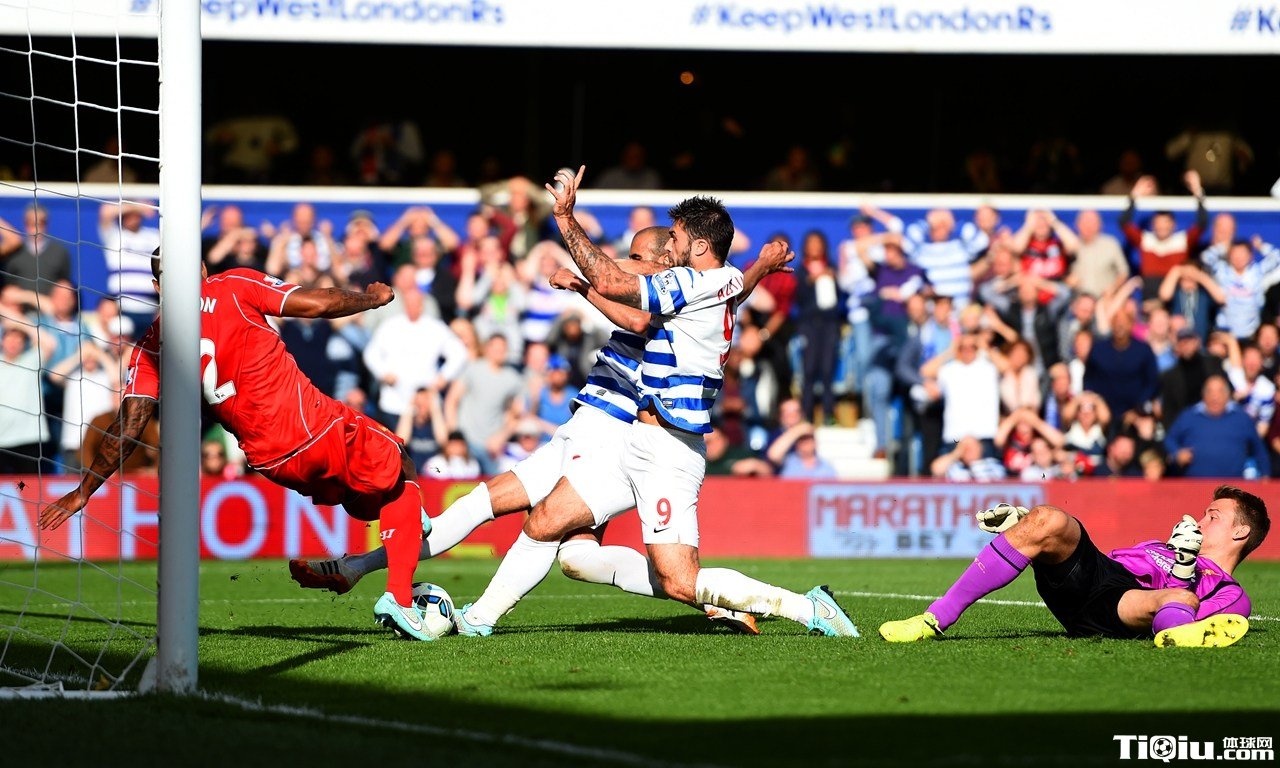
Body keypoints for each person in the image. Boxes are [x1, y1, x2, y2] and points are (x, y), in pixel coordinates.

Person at [293, 225, 764, 633]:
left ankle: (399, 585)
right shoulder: (689, 295)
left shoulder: (663, 304)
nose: (627, 263)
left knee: (501, 512)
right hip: (583, 428)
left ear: (665, 261)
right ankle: (715, 599)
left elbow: (643, 315)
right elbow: (727, 292)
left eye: (637, 256)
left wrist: (583, 282)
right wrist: (759, 268)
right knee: (578, 558)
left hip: (604, 437)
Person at [454, 167, 856, 638]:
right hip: (635, 441)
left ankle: (806, 607)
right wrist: (761, 267)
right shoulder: (725, 278)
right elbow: (732, 287)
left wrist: (564, 218)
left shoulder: (689, 285)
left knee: (680, 581)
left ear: (700, 248)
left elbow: (610, 281)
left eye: (677, 239)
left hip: (670, 451)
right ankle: (478, 619)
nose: (669, 248)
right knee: (545, 520)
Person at [38, 256, 438, 642]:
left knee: (376, 502)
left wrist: (84, 490)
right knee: (399, 465)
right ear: (201, 268)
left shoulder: (149, 345)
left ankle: (364, 562)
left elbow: (129, 426)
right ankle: (399, 598)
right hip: (311, 427)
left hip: (271, 461)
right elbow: (318, 304)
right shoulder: (232, 285)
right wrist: (373, 298)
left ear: (158, 287)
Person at [881, 487, 1268, 647]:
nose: (1199, 521)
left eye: (1213, 516)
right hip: (1098, 575)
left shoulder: (1231, 593)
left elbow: (1189, 607)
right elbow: (1106, 561)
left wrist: (1184, 568)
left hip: (1125, 607)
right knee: (1048, 518)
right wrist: (1026, 526)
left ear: (1241, 532)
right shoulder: (1161, 545)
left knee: (1179, 599)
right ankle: (933, 619)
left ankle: (1176, 640)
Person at [1165, 376, 1270, 479]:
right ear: (1203, 395)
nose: (1214, 397)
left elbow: (1259, 449)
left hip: (1232, 486)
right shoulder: (1189, 415)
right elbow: (1169, 439)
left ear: (1227, 395)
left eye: (1220, 392)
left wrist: (1265, 476)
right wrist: (1176, 453)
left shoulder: (1242, 417)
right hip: (1194, 484)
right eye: (1210, 392)